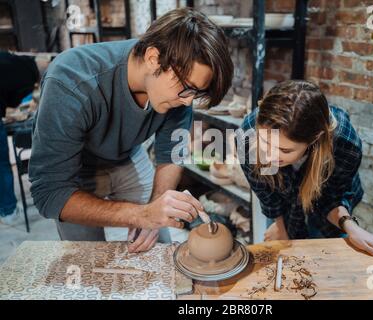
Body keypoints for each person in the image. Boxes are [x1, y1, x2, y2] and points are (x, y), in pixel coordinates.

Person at [29, 8, 234, 253]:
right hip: (75, 169)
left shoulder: (179, 91)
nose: (189, 102)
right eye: (188, 88)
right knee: (86, 259)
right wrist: (140, 215)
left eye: (196, 93)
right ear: (153, 58)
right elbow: (49, 194)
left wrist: (156, 208)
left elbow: (172, 154)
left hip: (128, 153)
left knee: (157, 246)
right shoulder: (72, 81)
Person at [240, 80, 373, 268]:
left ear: (314, 139)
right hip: (283, 197)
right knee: (283, 260)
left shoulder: (345, 144)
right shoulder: (247, 134)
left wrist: (350, 226)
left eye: (284, 150)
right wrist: (279, 225)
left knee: (323, 261)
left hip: (327, 200)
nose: (270, 155)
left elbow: (330, 200)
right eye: (265, 143)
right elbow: (264, 190)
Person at [0, 52, 48, 223]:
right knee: (1, 165)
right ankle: (8, 211)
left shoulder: (11, 59)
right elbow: (13, 102)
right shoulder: (27, 75)